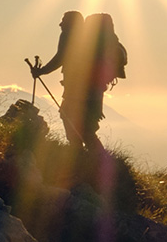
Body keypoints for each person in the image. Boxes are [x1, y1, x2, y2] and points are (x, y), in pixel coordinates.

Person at [32, 11, 122, 152]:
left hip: (77, 91)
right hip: (95, 92)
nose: (60, 24)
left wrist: (41, 71)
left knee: (71, 120)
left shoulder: (69, 35)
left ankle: (82, 155)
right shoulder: (90, 39)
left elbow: (60, 58)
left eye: (64, 20)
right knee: (86, 128)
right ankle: (90, 158)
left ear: (71, 22)